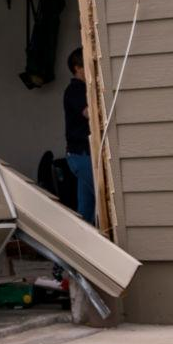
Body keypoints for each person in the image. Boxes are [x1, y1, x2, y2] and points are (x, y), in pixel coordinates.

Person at [61, 48, 97, 224]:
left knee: (86, 209)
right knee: (102, 196)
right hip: (81, 155)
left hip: (82, 155)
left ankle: (84, 243)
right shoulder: (75, 89)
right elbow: (88, 113)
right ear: (77, 68)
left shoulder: (82, 89)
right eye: (88, 66)